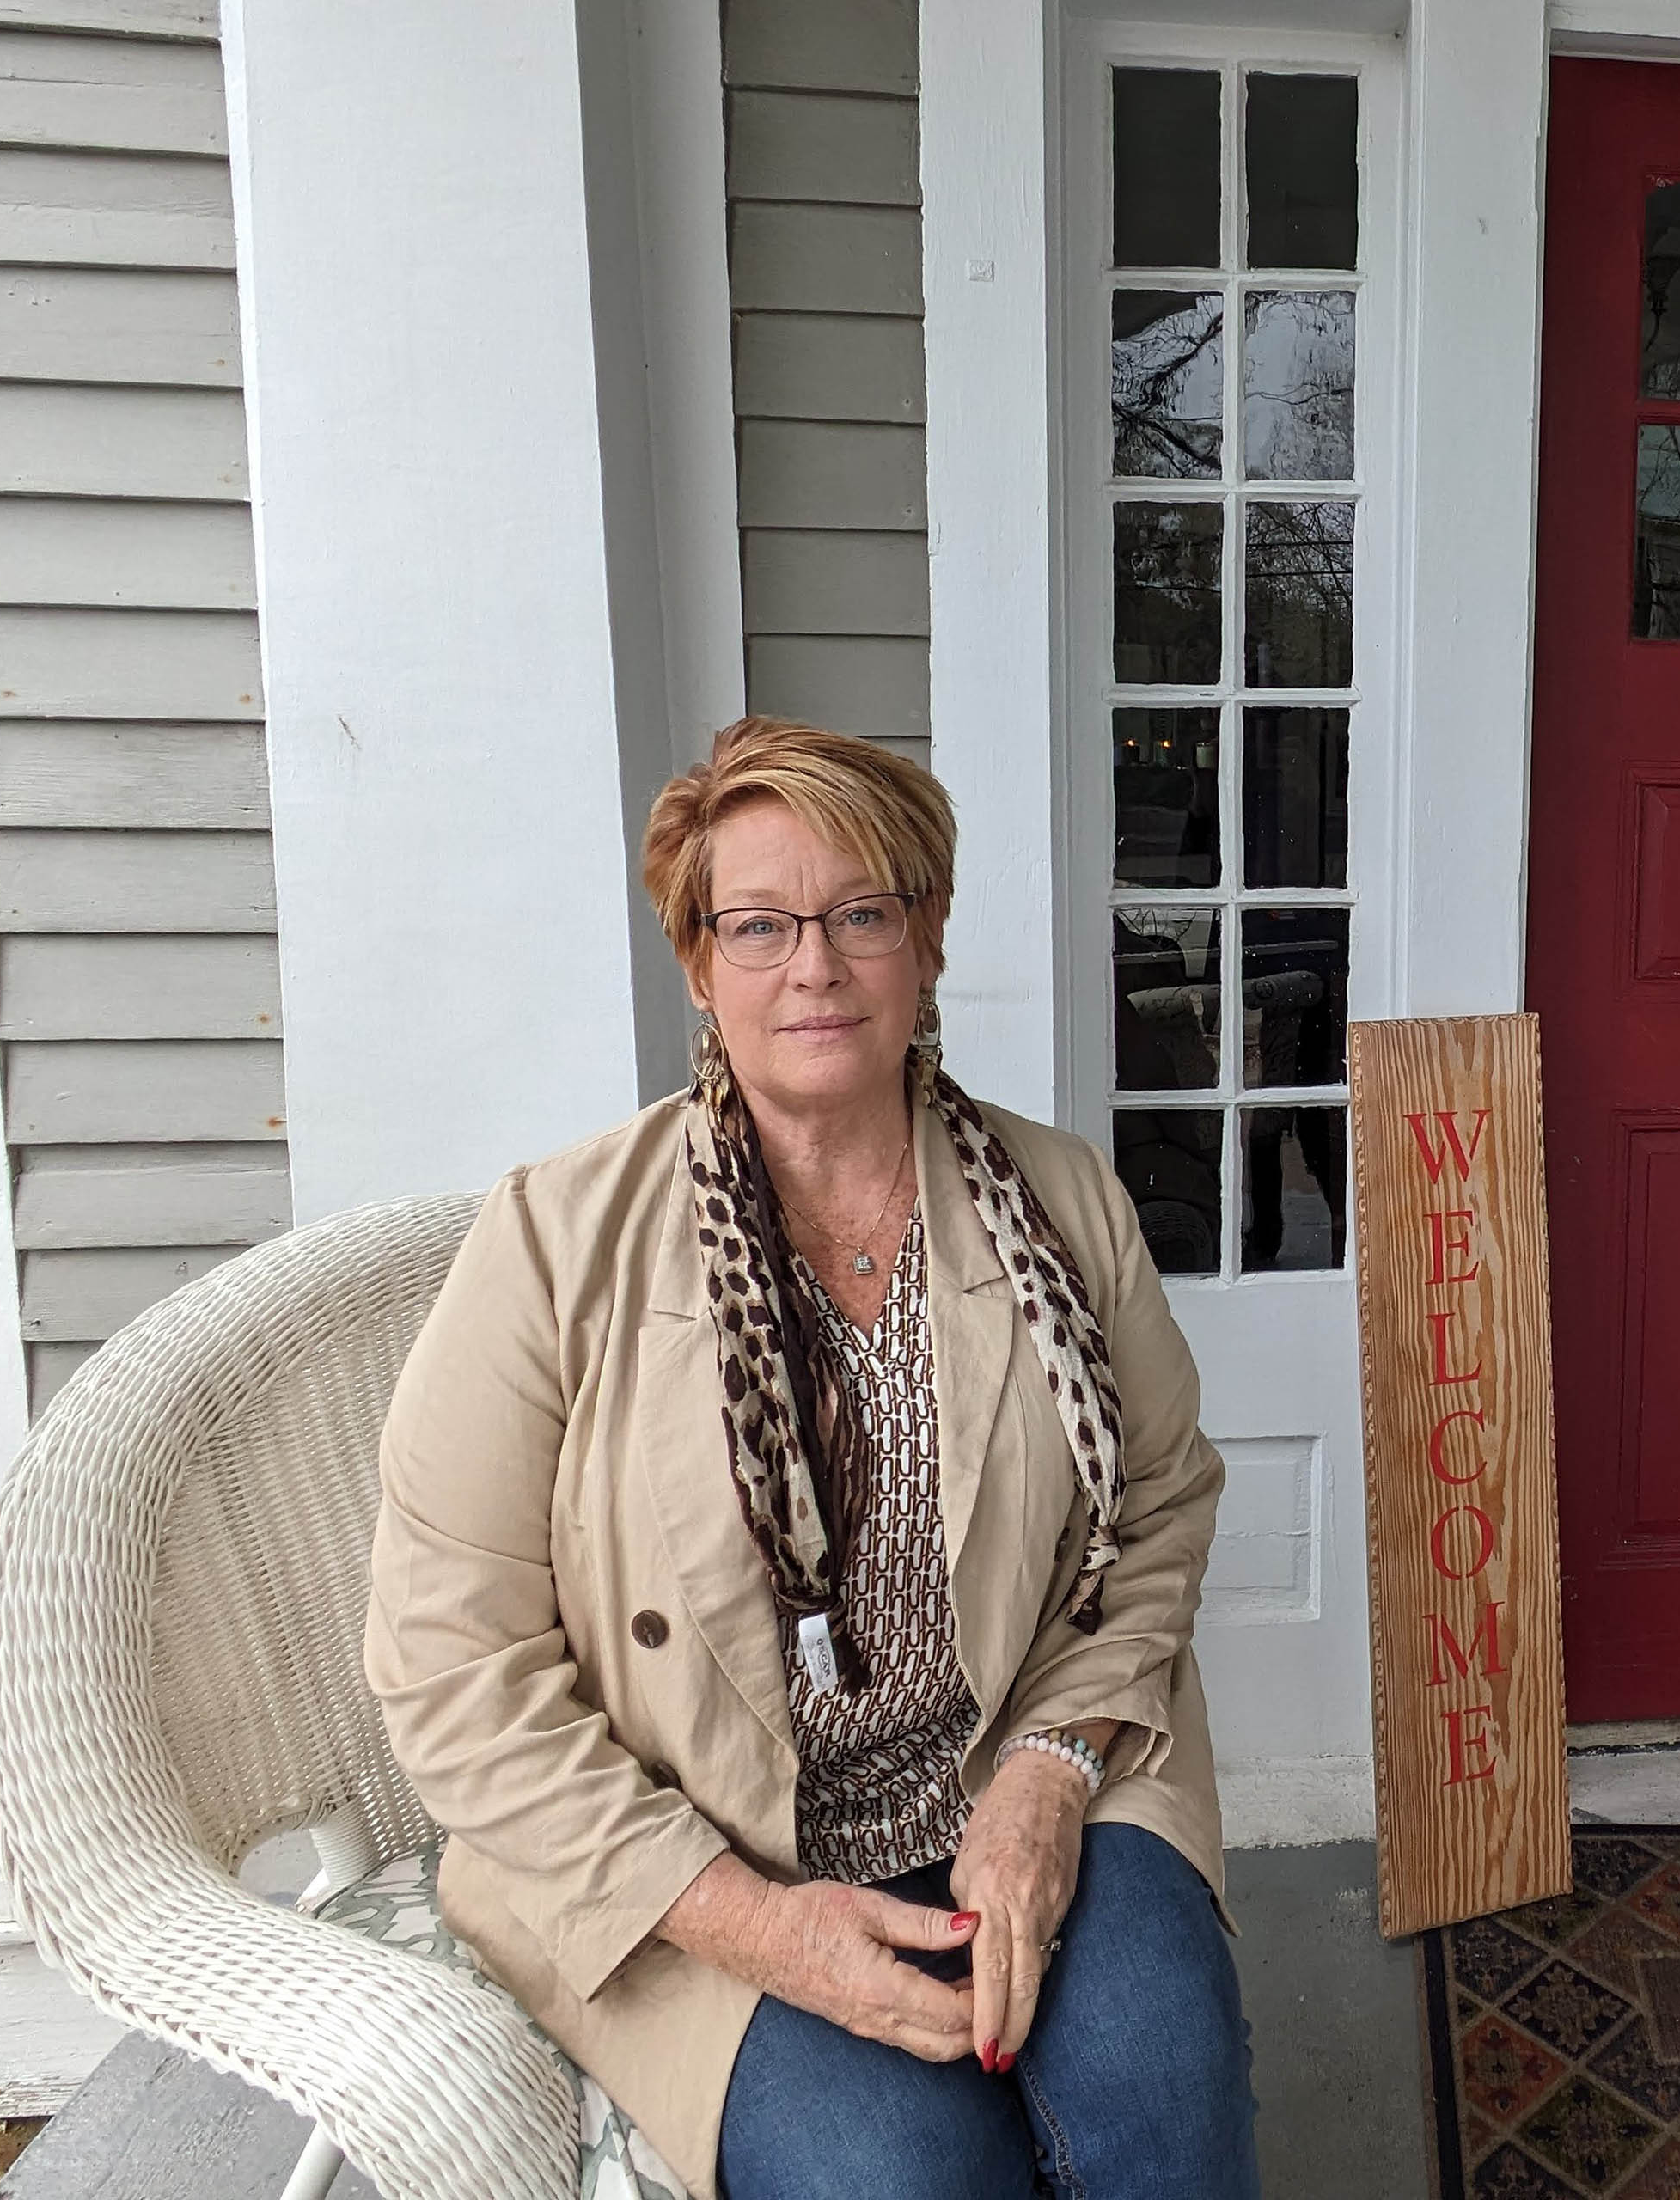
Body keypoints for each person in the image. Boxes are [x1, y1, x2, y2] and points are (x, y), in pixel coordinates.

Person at [364, 718, 1258, 2199]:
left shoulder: (1062, 1201)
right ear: (699, 961)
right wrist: (754, 1924)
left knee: (1163, 2115)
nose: (816, 967)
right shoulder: (549, 1242)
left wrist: (1047, 1775)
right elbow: (450, 1667)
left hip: (1020, 1770)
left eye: (862, 914)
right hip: (697, 1856)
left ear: (929, 938)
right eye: (760, 925)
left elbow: (1158, 1503)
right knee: (912, 2178)